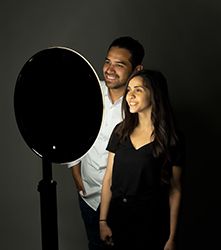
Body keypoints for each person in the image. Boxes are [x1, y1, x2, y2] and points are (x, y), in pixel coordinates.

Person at [67, 36, 145, 250]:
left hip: (123, 200)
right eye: (107, 61)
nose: (110, 69)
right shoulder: (89, 92)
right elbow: (72, 131)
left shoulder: (140, 101)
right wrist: (75, 171)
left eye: (119, 65)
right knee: (95, 245)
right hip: (89, 194)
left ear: (137, 69)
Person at [99, 69, 185, 250]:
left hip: (151, 223)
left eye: (138, 90)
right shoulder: (120, 131)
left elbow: (175, 190)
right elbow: (108, 179)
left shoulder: (171, 138)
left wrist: (171, 237)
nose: (130, 95)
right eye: (129, 89)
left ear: (154, 94)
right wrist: (103, 221)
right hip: (118, 220)